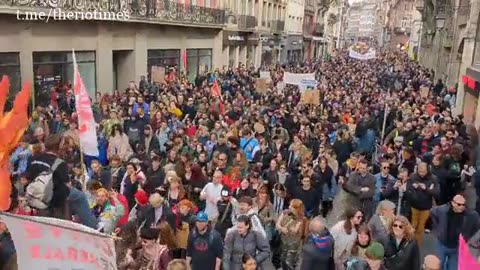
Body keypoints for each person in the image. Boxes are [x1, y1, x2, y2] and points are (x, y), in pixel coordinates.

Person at [430, 194, 480, 269]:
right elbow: (433, 212)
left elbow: (476, 227)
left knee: (453, 267)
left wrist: (467, 237)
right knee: (438, 265)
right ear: (453, 203)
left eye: (464, 204)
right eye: (459, 204)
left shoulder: (471, 215)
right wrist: (437, 228)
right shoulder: (443, 210)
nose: (462, 206)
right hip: (442, 244)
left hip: (457, 247)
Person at [405, 162, 439, 244]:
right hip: (414, 206)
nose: (422, 173)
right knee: (413, 225)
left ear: (427, 170)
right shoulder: (413, 177)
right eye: (420, 171)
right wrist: (414, 188)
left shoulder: (433, 178)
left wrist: (426, 189)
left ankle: (417, 243)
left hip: (426, 207)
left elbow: (436, 192)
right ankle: (409, 241)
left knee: (421, 227)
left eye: (423, 171)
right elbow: (408, 189)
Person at [275, 198, 308, 270]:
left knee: (289, 262)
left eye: (291, 206)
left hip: (293, 244)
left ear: (297, 209)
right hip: (283, 242)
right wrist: (281, 228)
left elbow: (296, 231)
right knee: (283, 260)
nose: (289, 207)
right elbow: (277, 224)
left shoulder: (301, 219)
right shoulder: (285, 213)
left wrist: (294, 229)